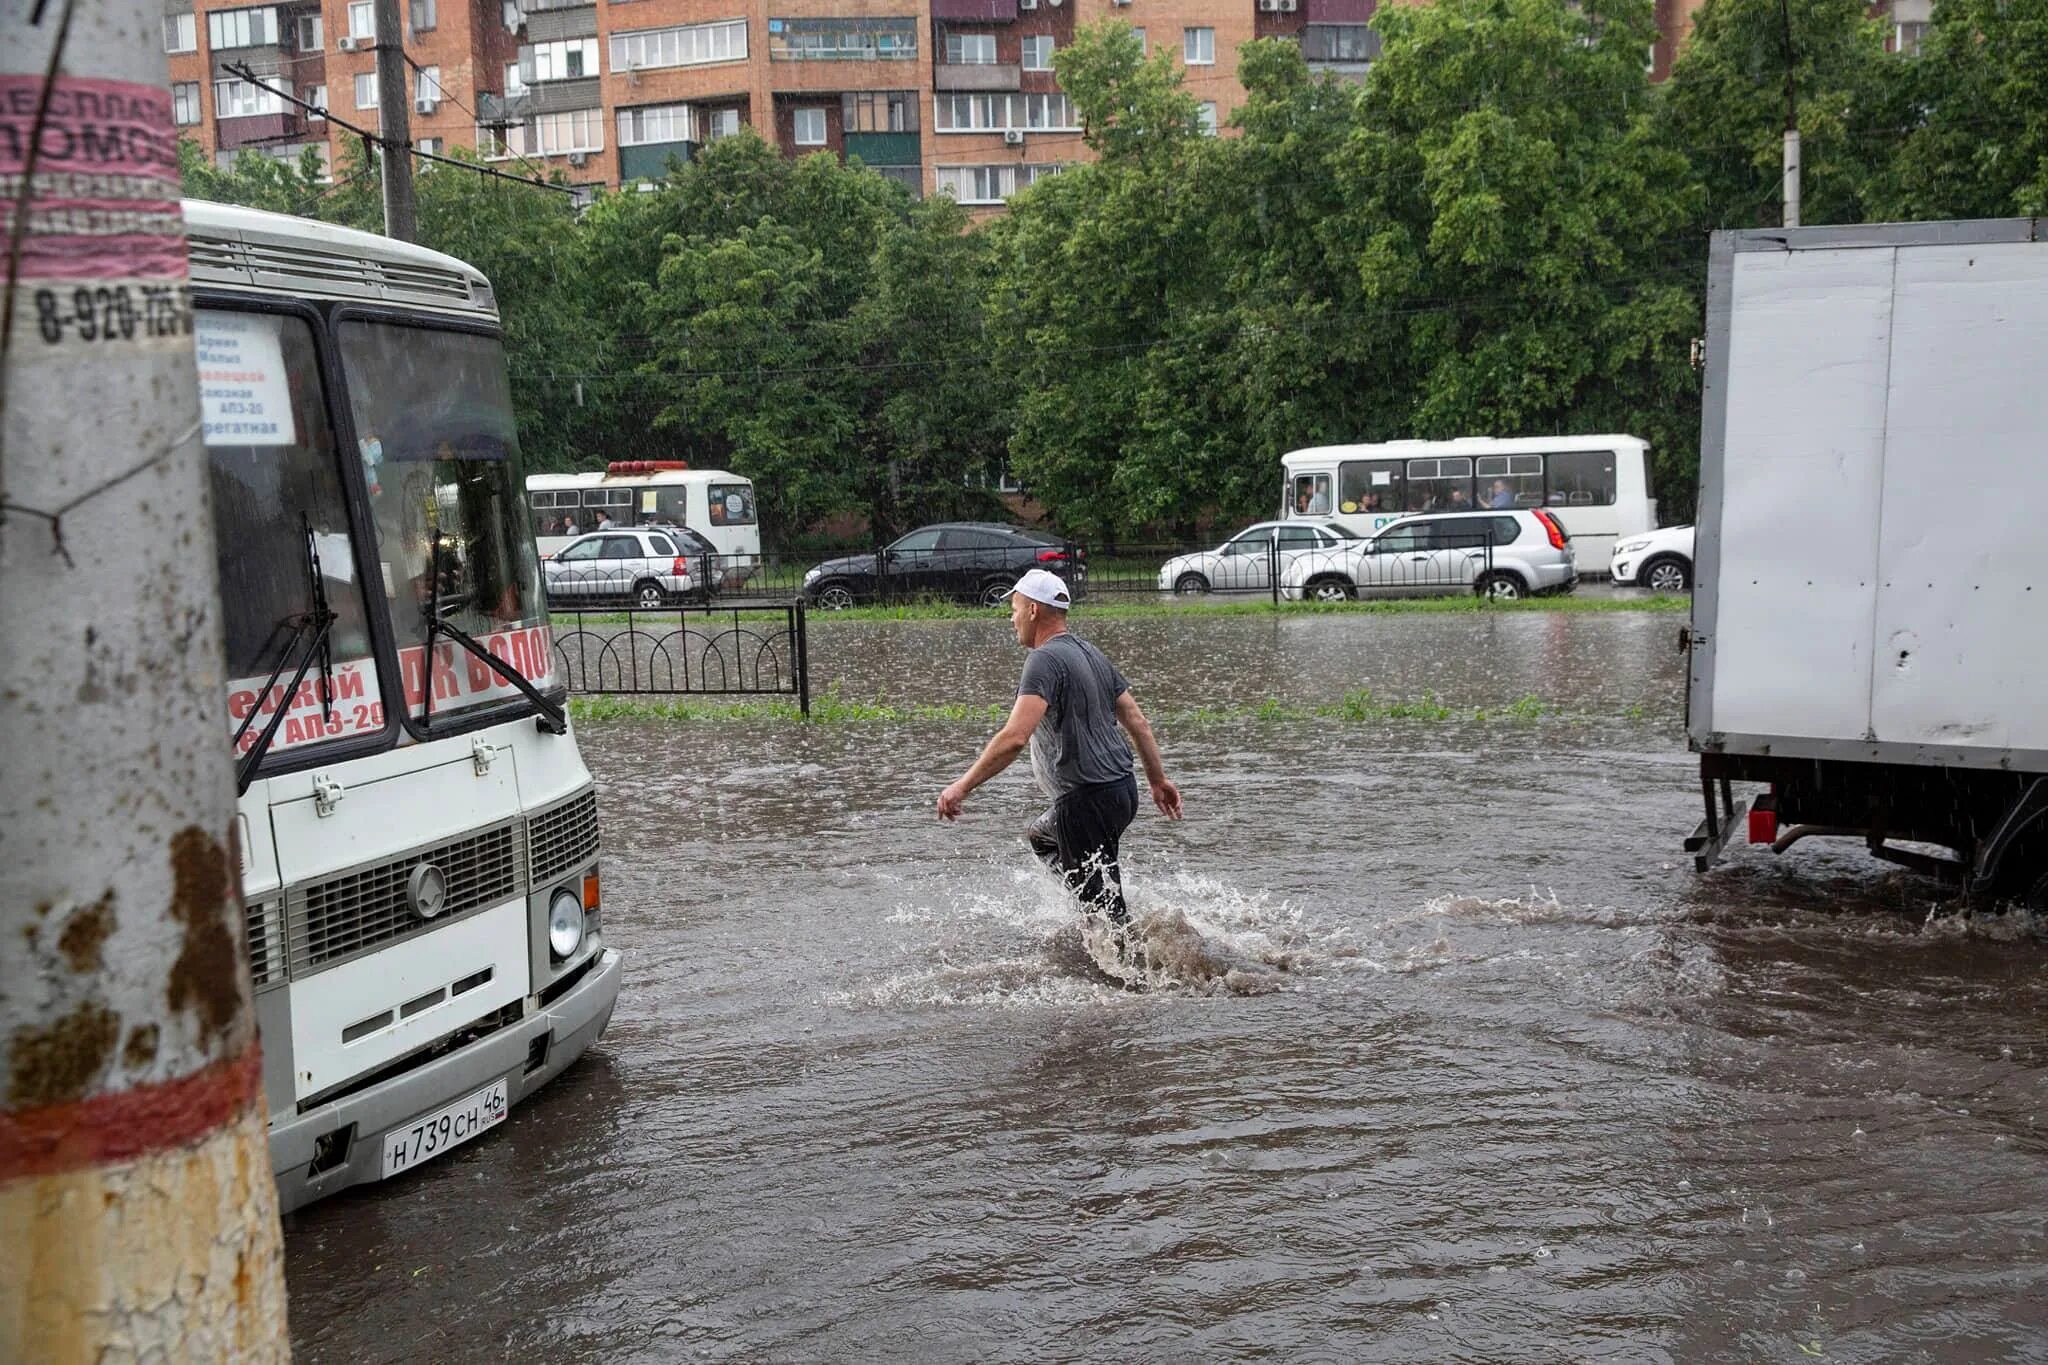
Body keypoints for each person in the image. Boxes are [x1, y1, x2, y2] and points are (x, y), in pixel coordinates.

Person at [937, 568, 1182, 932]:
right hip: (1121, 791)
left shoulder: (1044, 660)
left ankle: (1138, 971)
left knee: (1104, 918)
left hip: (1085, 800)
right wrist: (1158, 781)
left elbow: (1015, 737)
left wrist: (962, 786)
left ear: (1034, 610)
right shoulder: (1092, 653)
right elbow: (1137, 721)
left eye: (1015, 608)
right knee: (1043, 838)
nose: (1012, 617)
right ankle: (1094, 911)